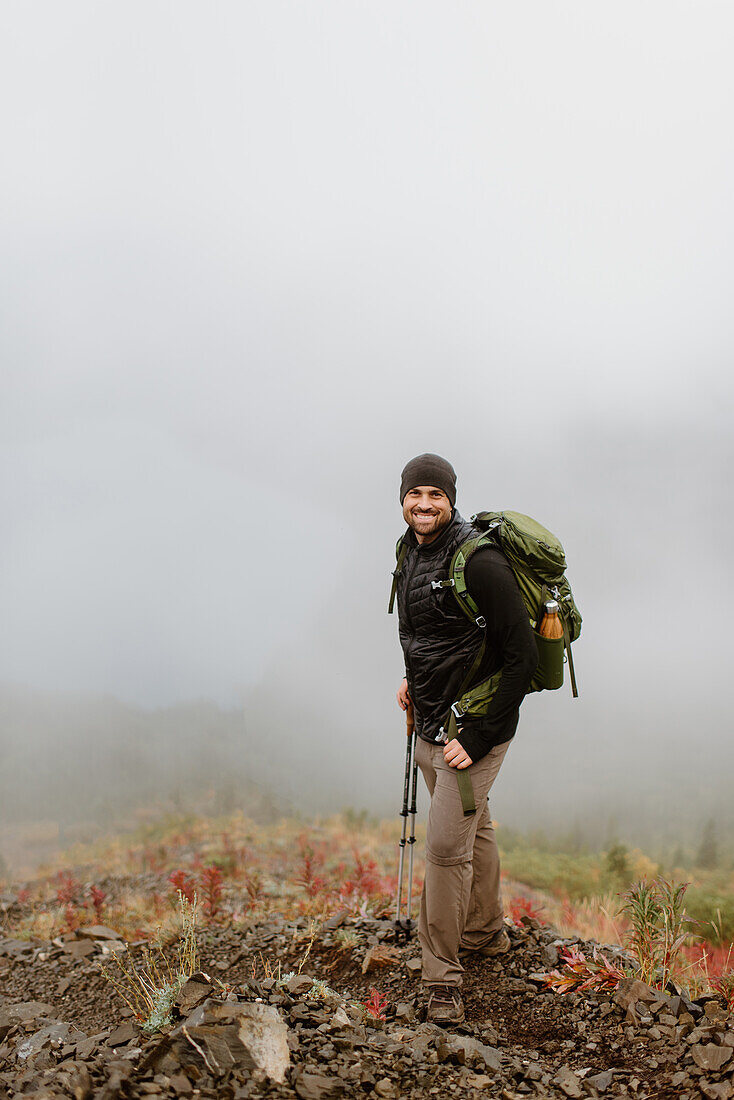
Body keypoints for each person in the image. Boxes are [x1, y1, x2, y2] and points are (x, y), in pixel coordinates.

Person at [393, 453, 538, 1025]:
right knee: (476, 828)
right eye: (414, 494)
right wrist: (411, 679)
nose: (423, 505)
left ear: (451, 499)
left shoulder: (480, 563)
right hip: (431, 719)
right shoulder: (410, 550)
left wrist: (477, 737)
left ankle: (442, 982)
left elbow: (522, 658)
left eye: (435, 494)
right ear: (402, 499)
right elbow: (422, 630)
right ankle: (484, 934)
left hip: (472, 729)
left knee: (445, 851)